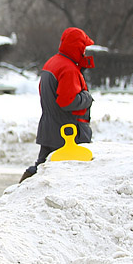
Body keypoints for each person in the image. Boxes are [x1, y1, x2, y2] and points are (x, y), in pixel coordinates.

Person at [20, 27, 95, 182]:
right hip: (67, 132)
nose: (85, 52)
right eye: (83, 48)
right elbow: (67, 101)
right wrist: (87, 98)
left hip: (50, 127)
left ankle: (22, 189)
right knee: (68, 176)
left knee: (42, 168)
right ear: (77, 47)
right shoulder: (68, 69)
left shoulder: (53, 63)